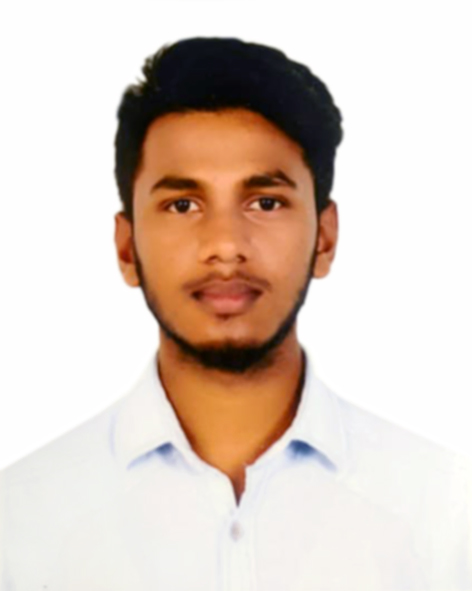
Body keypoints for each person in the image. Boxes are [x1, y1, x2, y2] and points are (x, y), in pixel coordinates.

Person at [0, 36, 470, 591]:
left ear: (324, 239)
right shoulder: (21, 524)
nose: (225, 245)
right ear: (127, 249)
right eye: (183, 204)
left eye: (265, 202)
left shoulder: (445, 517)